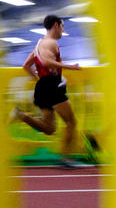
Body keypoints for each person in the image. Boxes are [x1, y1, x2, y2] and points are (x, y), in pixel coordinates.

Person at [12, 14, 94, 168]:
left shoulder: (39, 44)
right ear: (56, 25)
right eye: (62, 26)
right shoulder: (51, 43)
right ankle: (66, 159)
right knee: (71, 122)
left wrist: (38, 80)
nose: (63, 30)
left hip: (44, 86)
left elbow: (26, 66)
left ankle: (21, 115)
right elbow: (46, 61)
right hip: (52, 86)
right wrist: (71, 67)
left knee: (49, 128)